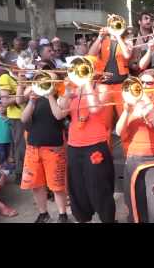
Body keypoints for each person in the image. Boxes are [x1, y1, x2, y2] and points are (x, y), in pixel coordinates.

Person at [51, 79, 116, 223]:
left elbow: (95, 108)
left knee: (100, 187)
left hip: (95, 144)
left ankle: (107, 219)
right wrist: (66, 93)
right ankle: (82, 218)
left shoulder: (103, 88)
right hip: (74, 145)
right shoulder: (74, 90)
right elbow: (59, 114)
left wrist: (87, 84)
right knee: (77, 188)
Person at [115, 69, 154, 223]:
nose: (144, 86)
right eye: (142, 83)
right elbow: (119, 131)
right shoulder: (131, 104)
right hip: (133, 157)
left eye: (149, 83)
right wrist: (126, 111)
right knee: (134, 203)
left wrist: (145, 100)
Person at [19, 79, 69, 223]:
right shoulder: (35, 99)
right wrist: (32, 102)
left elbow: (59, 115)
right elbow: (23, 118)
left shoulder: (61, 98)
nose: (46, 83)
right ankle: (43, 213)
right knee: (36, 184)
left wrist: (50, 96)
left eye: (49, 80)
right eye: (43, 81)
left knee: (57, 185)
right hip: (33, 148)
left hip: (54, 148)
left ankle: (62, 214)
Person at [88, 15, 132, 148]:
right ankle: (106, 156)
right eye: (113, 25)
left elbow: (127, 55)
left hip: (121, 86)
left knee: (125, 123)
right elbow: (90, 54)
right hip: (103, 87)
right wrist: (100, 38)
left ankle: (128, 154)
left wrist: (118, 36)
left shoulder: (126, 41)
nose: (114, 27)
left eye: (117, 25)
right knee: (104, 124)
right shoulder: (103, 40)